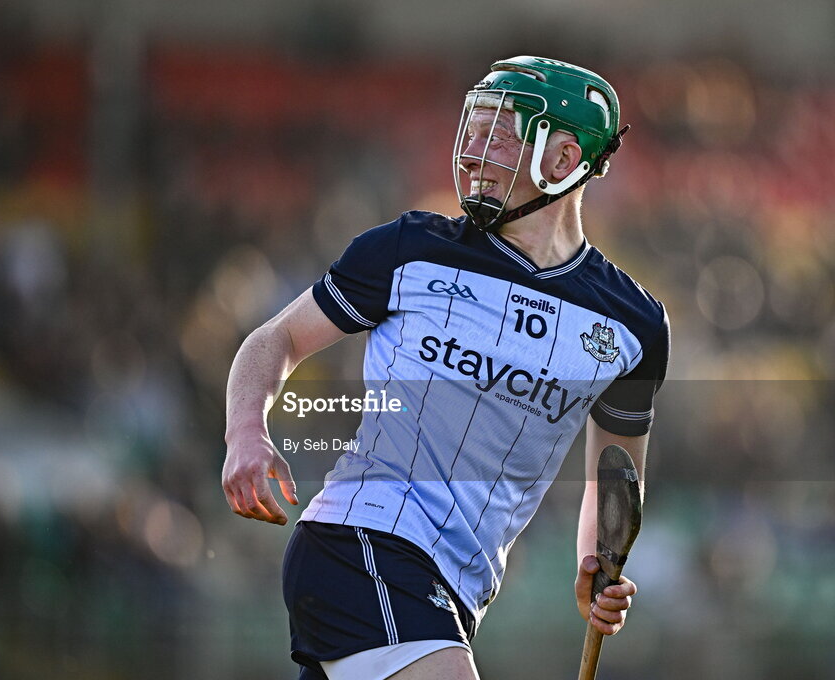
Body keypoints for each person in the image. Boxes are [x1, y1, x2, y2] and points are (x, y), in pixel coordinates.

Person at [222, 55, 669, 680]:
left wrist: (597, 563)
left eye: (502, 135)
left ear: (565, 161)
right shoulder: (409, 247)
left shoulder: (633, 324)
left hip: (456, 588)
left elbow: (616, 476)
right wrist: (247, 431)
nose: (474, 154)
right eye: (475, 130)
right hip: (363, 543)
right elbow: (275, 340)